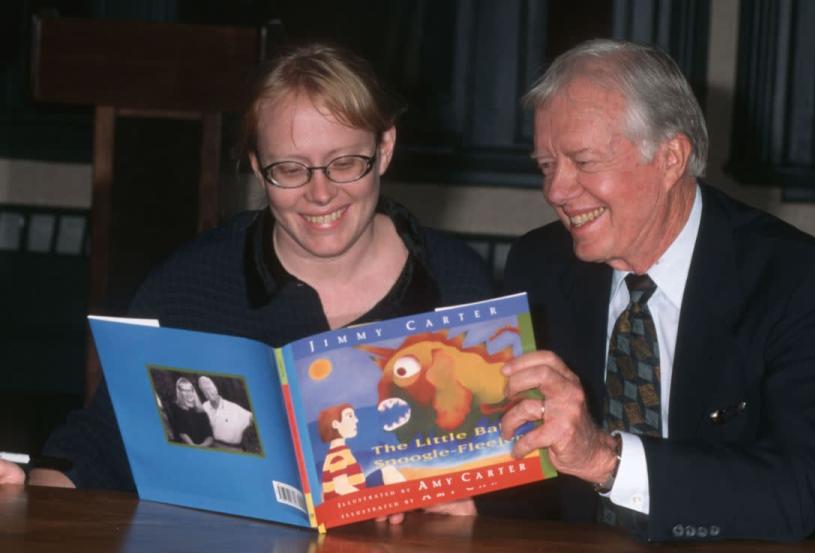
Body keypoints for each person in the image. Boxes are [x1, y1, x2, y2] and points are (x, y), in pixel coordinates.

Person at [0, 42, 494, 504]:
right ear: (258, 168)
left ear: (384, 148)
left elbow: (513, 488)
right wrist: (29, 494)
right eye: (291, 169)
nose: (320, 194)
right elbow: (105, 441)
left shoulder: (457, 286)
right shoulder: (192, 283)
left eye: (345, 163)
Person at [495, 39, 815, 542]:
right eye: (546, 165)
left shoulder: (802, 281)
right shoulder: (538, 264)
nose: (555, 192)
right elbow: (528, 470)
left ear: (670, 158)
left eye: (582, 161)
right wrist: (466, 500)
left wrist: (605, 458)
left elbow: (794, 492)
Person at [197, 376, 253, 448]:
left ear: (215, 388)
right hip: (212, 447)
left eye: (209, 388)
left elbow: (251, 418)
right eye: (204, 391)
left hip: (233, 448)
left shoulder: (233, 407)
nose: (208, 392)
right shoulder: (204, 407)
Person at [167, 377, 214, 447]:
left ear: (193, 391)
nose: (188, 393)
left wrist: (202, 446)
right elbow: (182, 433)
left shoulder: (202, 412)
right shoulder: (176, 408)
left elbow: (209, 436)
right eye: (185, 390)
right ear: (179, 392)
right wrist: (193, 447)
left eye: (190, 390)